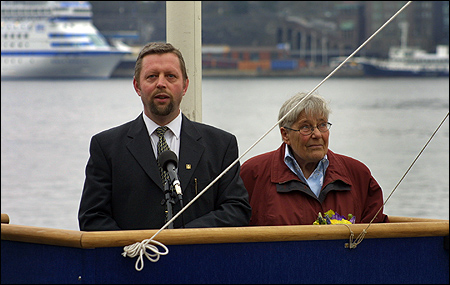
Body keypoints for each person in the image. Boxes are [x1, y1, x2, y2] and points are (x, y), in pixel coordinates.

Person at [78, 42, 251, 231]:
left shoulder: (221, 145)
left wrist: (183, 238)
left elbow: (237, 210)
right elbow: (92, 217)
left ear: (185, 86)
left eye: (171, 76)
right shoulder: (106, 147)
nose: (161, 83)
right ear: (137, 86)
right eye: (152, 77)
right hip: (135, 259)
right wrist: (140, 247)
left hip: (197, 257)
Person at [240, 92, 389, 226]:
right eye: (306, 127)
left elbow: (376, 240)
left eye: (322, 125)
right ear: (285, 135)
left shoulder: (357, 174)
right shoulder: (254, 173)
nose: (317, 134)